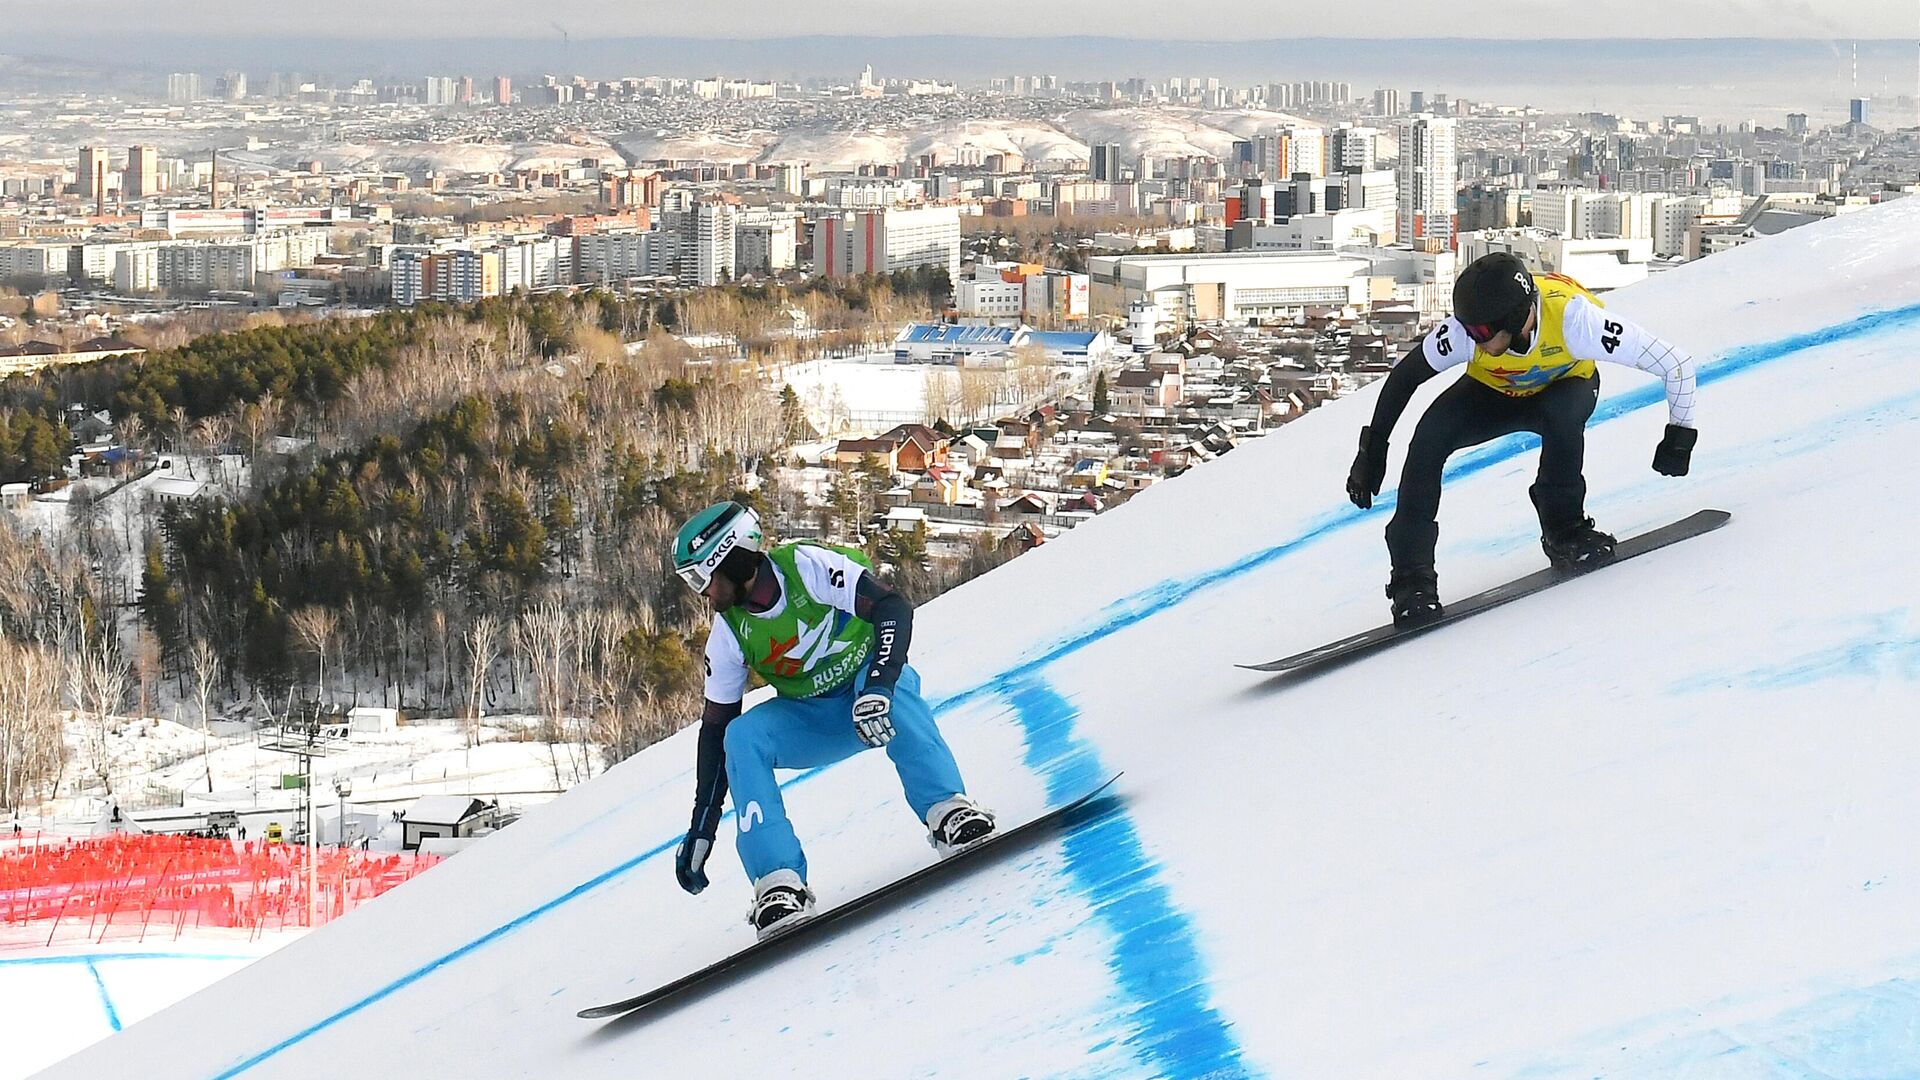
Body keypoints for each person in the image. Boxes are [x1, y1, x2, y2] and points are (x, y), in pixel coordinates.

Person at [670, 501, 995, 939]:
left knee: (899, 693)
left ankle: (948, 810)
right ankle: (777, 883)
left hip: (873, 698)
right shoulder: (729, 633)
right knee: (742, 736)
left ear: (728, 557)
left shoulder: (806, 568)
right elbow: (715, 731)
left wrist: (878, 684)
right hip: (814, 721)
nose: (702, 593)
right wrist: (702, 826)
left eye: (700, 579)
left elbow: (892, 608)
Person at [1346, 252, 1699, 627]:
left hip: (1563, 389)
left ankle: (1566, 531)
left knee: (1563, 417)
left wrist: (1680, 436)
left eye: (1479, 333)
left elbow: (1675, 363)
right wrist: (1372, 451)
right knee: (1429, 438)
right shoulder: (1467, 332)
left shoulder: (1577, 321)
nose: (1470, 338)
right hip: (1493, 392)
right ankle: (1411, 580)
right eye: (1466, 329)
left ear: (1515, 319)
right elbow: (1405, 378)